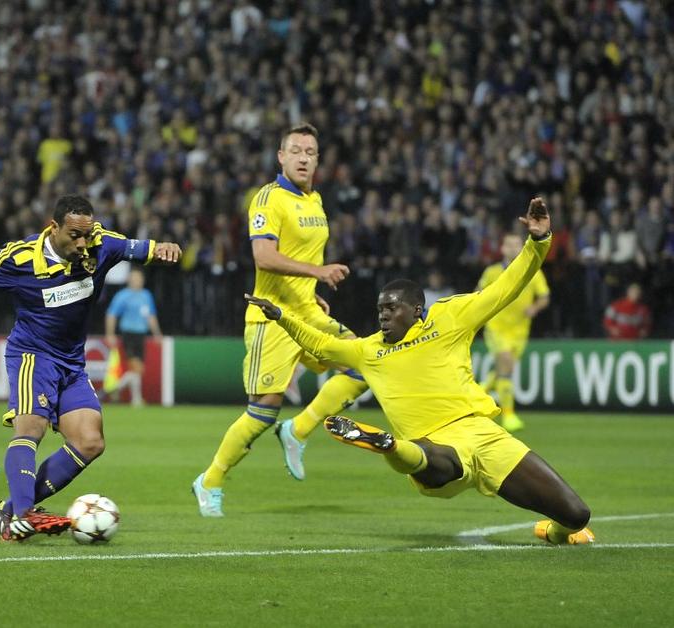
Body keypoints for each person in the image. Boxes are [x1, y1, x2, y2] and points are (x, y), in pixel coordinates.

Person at [245, 198, 595, 545]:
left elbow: (507, 287)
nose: (383, 315)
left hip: (483, 434)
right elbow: (322, 345)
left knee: (577, 515)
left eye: (391, 308)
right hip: (434, 444)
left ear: (416, 310)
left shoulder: (450, 317)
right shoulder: (369, 350)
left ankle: (552, 532)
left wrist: (539, 241)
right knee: (432, 459)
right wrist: (282, 316)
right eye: (380, 310)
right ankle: (390, 446)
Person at [0, 195, 181, 541]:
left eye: (86, 234)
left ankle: (9, 510)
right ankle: (24, 515)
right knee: (31, 427)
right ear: (54, 228)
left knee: (90, 441)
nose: (83, 243)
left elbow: (144, 249)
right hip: (32, 355)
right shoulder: (20, 258)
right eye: (74, 235)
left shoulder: (102, 243)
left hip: (71, 361)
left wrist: (164, 247)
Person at [192, 123, 369, 517]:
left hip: (307, 312)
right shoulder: (268, 199)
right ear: (281, 157)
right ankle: (210, 480)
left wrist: (311, 290)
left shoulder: (315, 200)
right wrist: (318, 273)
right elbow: (264, 257)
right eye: (296, 151)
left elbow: (299, 255)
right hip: (272, 318)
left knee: (364, 364)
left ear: (318, 161)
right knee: (263, 411)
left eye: (311, 152)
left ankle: (298, 430)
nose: (304, 158)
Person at [476, 233, 550, 432]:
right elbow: (478, 294)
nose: (513, 248)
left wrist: (534, 307)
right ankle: (508, 414)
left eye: (517, 244)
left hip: (520, 330)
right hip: (496, 327)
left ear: (522, 247)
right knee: (506, 361)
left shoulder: (533, 271)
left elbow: (544, 297)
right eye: (509, 244)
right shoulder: (492, 272)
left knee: (505, 369)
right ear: (502, 249)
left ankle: (481, 390)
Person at [104, 267, 162, 406]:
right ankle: (136, 399)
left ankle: (116, 388)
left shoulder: (146, 295)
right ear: (129, 279)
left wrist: (157, 334)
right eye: (134, 278)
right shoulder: (123, 295)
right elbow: (111, 314)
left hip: (141, 335)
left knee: (139, 369)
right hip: (128, 334)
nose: (137, 281)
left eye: (139, 278)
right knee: (136, 367)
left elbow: (151, 316)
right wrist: (110, 334)